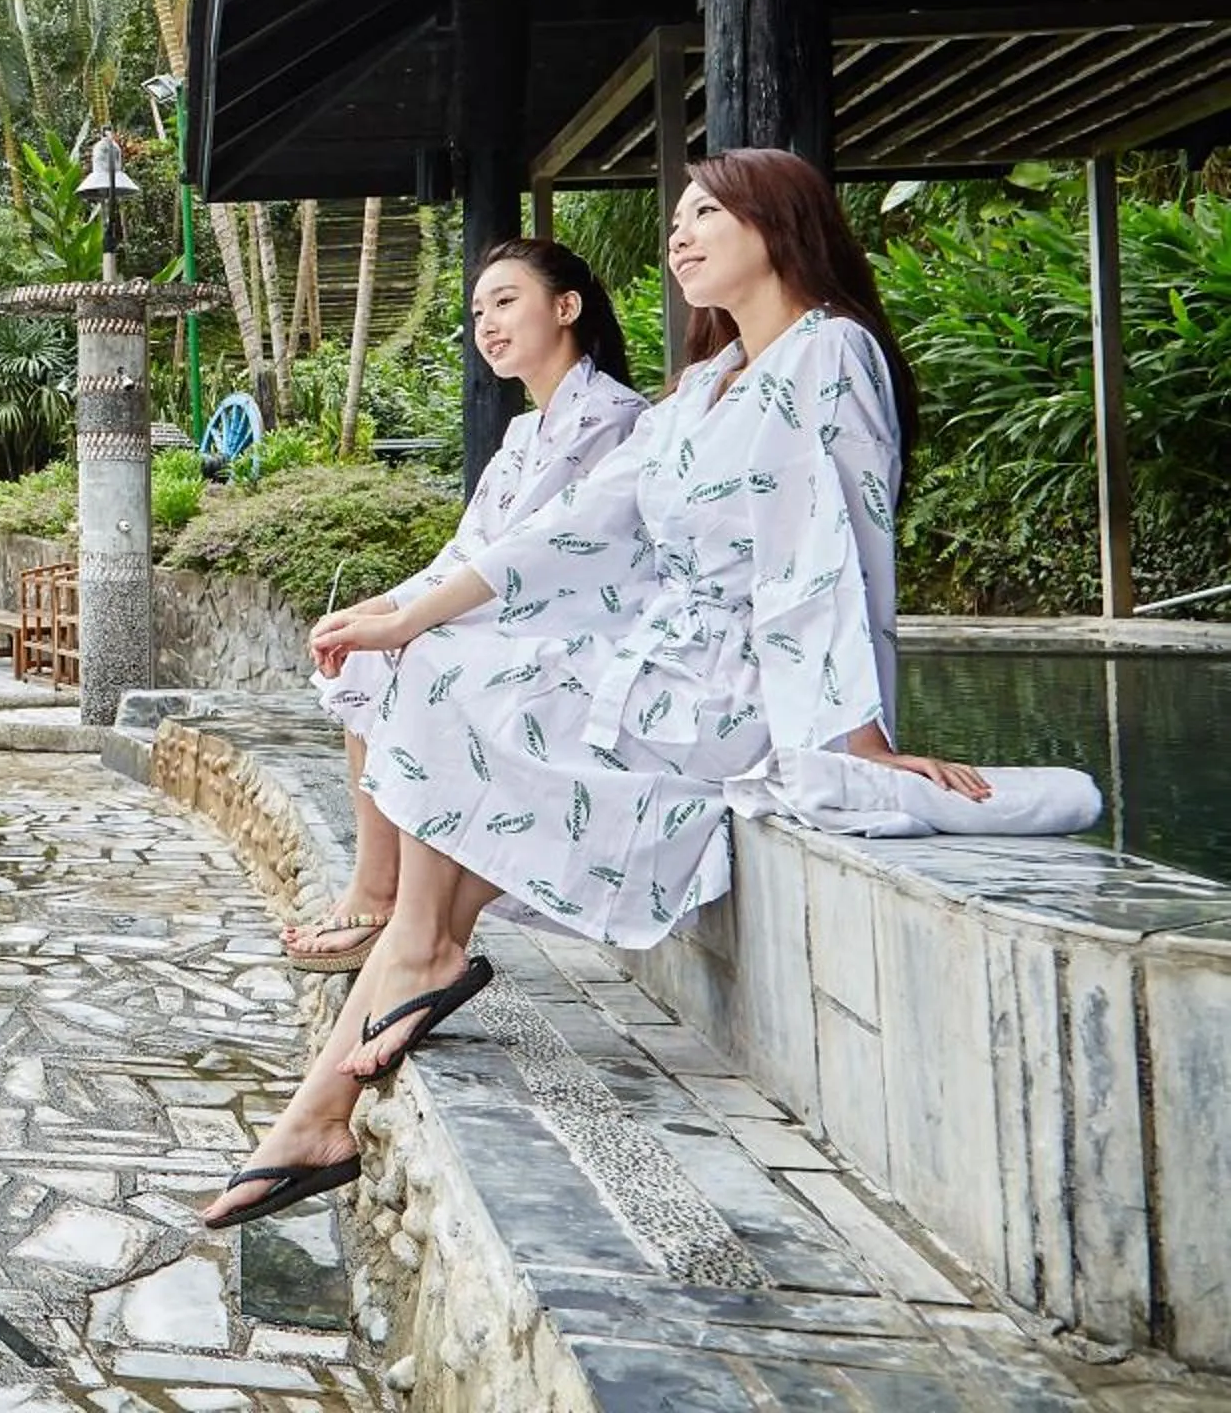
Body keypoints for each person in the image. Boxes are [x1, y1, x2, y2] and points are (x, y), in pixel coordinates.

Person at [201, 148, 989, 1231]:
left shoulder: (831, 355)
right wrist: (408, 611)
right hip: (647, 666)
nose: (681, 232)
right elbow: (575, 528)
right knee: (432, 675)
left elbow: (834, 554)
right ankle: (332, 1095)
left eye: (708, 211)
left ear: (781, 224)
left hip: (729, 687)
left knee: (453, 703)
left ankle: (340, 1075)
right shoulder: (704, 386)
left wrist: (858, 737)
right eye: (677, 216)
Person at [280, 239, 648, 975]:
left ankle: (407, 913)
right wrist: (377, 607)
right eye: (479, 310)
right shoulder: (522, 433)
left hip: (587, 626)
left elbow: (538, 554)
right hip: (517, 611)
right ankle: (375, 885)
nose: (488, 324)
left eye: (507, 301)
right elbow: (468, 548)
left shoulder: (613, 418)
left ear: (566, 308)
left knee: (424, 655)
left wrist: (408, 621)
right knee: (368, 657)